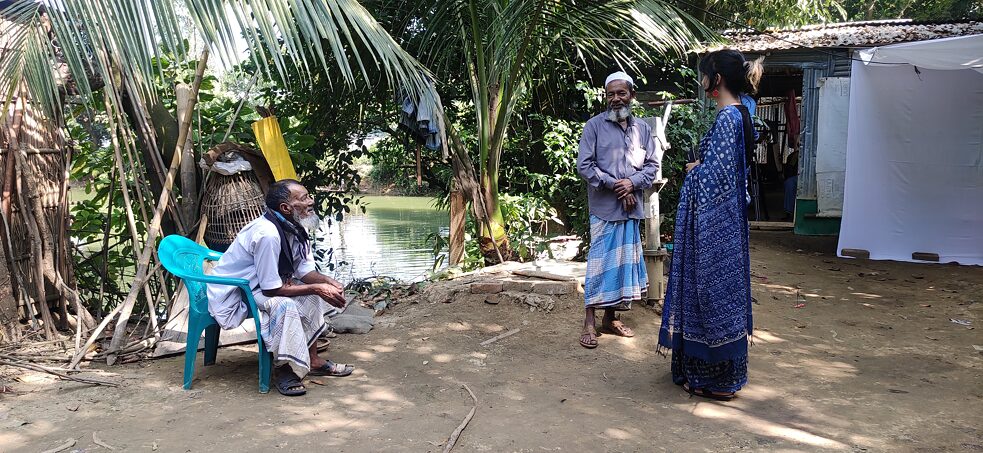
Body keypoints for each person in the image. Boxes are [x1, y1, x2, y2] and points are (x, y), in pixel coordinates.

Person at [658, 50, 763, 401]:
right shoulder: (742, 112)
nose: (702, 81)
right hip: (727, 222)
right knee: (720, 292)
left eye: (704, 75)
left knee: (708, 292)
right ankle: (721, 374)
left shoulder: (729, 118)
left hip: (714, 226)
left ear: (715, 79)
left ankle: (712, 379)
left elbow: (716, 180)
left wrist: (694, 170)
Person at [207, 179, 354, 396]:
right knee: (284, 305)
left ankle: (312, 360)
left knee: (313, 294)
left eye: (308, 196)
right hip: (237, 290)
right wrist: (317, 288)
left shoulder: (295, 227)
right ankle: (284, 369)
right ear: (285, 208)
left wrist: (326, 281)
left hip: (264, 284)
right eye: (304, 198)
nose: (311, 201)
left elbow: (303, 270)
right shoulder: (267, 234)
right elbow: (271, 290)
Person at [576, 71, 660, 349]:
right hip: (604, 209)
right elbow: (585, 166)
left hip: (630, 210)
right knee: (599, 265)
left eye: (621, 93)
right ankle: (589, 321)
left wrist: (632, 183)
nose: (615, 99)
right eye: (610, 94)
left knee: (622, 266)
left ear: (632, 95)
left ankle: (610, 318)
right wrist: (617, 186)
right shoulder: (594, 127)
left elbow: (652, 166)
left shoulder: (643, 129)